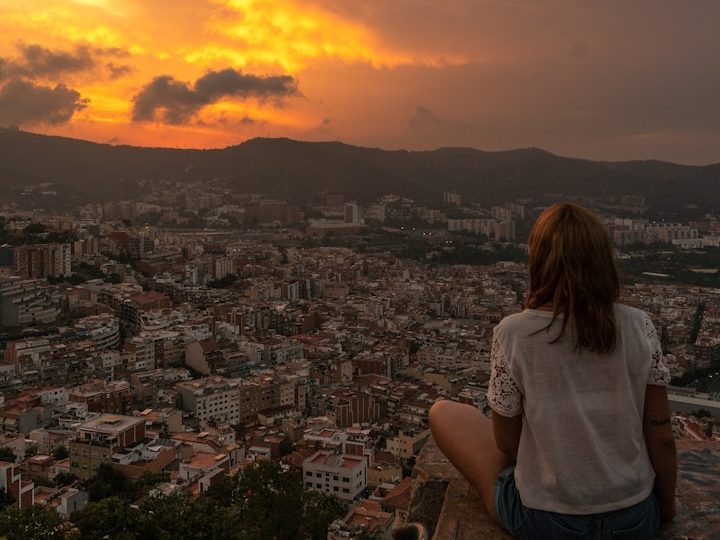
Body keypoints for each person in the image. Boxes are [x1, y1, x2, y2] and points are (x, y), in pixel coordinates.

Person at [428, 203, 677, 540]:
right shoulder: (639, 325)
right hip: (634, 518)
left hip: (547, 521)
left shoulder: (514, 332)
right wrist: (665, 510)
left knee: (443, 412)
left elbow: (506, 441)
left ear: (539, 260)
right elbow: (661, 437)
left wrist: (554, 457)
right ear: (602, 258)